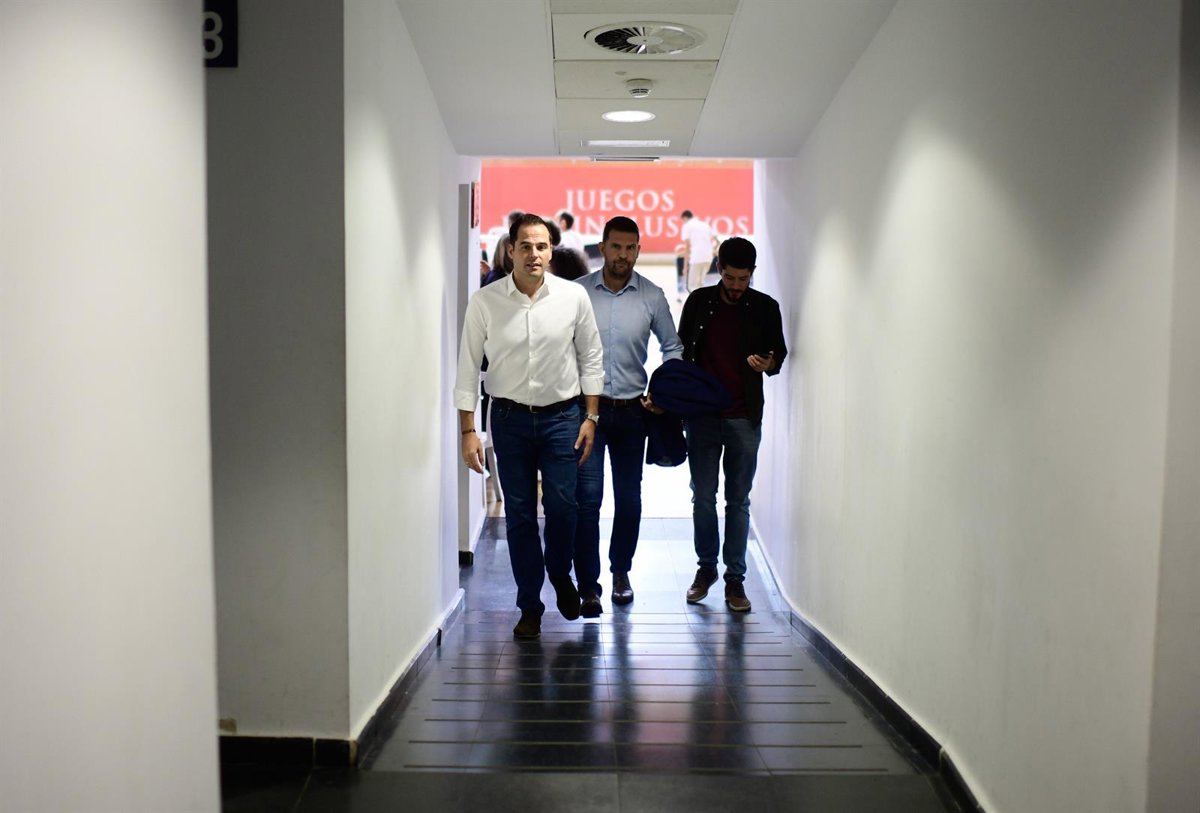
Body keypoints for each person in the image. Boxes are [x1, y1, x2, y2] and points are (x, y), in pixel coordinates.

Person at [455, 214, 604, 639]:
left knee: (563, 507)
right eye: (525, 246)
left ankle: (559, 573)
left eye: (541, 246)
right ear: (511, 251)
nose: (534, 254)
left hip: (563, 418)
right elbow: (468, 368)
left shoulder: (573, 297)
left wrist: (591, 416)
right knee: (519, 516)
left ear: (551, 251)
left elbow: (591, 357)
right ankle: (529, 606)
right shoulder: (486, 302)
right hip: (509, 420)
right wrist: (468, 431)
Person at [574, 216, 683, 615]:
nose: (623, 254)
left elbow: (673, 348)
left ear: (638, 250)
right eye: (616, 246)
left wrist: (663, 391)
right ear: (602, 248)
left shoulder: (652, 296)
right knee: (587, 500)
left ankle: (620, 572)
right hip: (587, 412)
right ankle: (589, 586)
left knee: (629, 500)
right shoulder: (578, 293)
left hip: (633, 413)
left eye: (630, 247)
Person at [676, 237, 787, 613]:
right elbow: (681, 351)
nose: (737, 286)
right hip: (702, 418)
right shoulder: (698, 302)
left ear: (752, 273)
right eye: (730, 278)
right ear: (719, 270)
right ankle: (706, 569)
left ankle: (735, 580)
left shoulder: (765, 307)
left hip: (744, 417)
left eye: (744, 279)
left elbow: (779, 353)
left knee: (738, 501)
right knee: (703, 498)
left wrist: (767, 364)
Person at [680, 209, 716, 293]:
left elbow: (687, 247)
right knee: (700, 285)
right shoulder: (705, 224)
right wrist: (713, 251)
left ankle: (696, 301)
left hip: (696, 258)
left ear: (685, 218)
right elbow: (717, 241)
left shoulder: (687, 226)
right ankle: (703, 301)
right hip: (708, 258)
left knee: (691, 286)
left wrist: (685, 267)